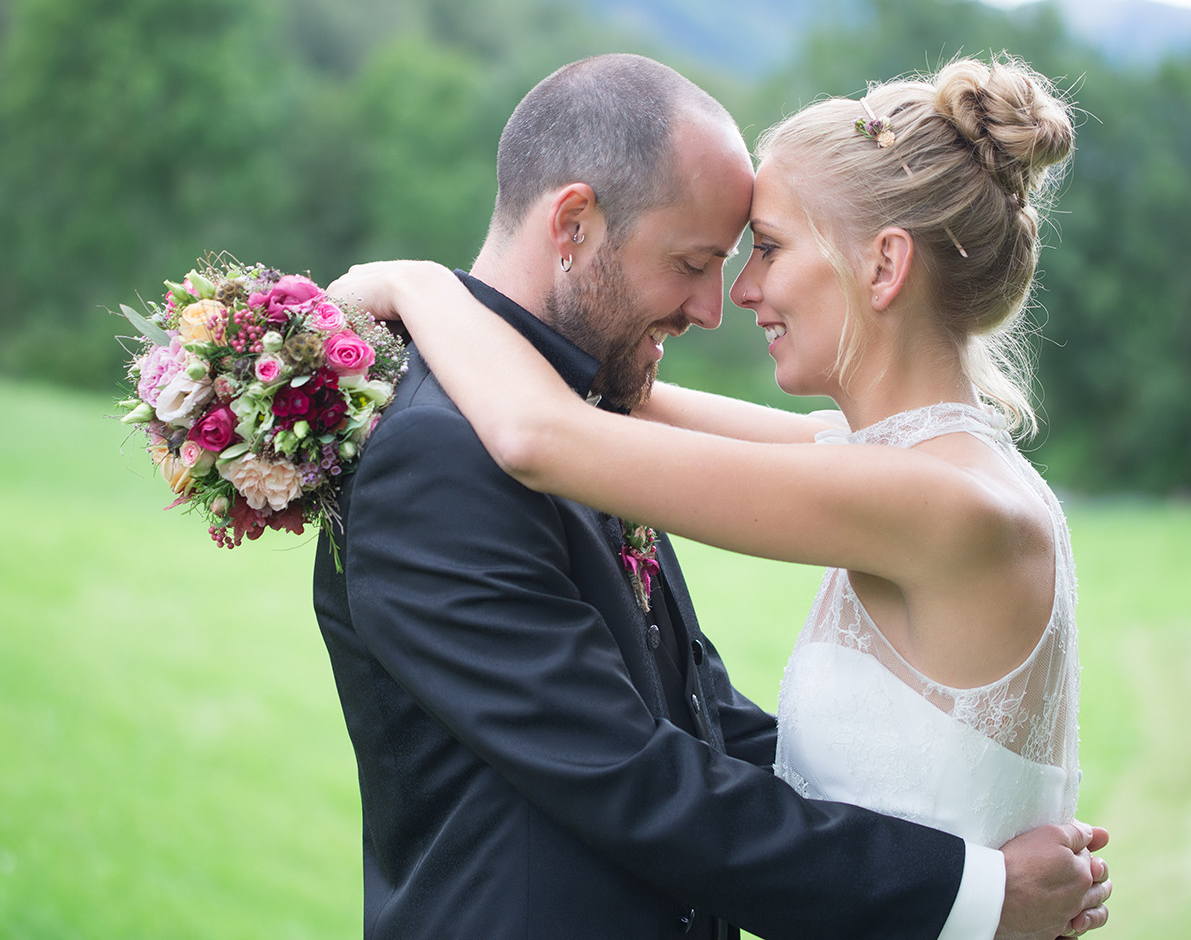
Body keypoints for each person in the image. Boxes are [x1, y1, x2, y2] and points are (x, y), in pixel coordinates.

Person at [315, 53, 1109, 940]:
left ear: (885, 267)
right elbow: (605, 410)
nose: (727, 298)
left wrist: (416, 283)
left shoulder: (928, 494)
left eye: (761, 250)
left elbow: (547, 434)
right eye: (700, 259)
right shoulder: (901, 463)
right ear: (573, 221)